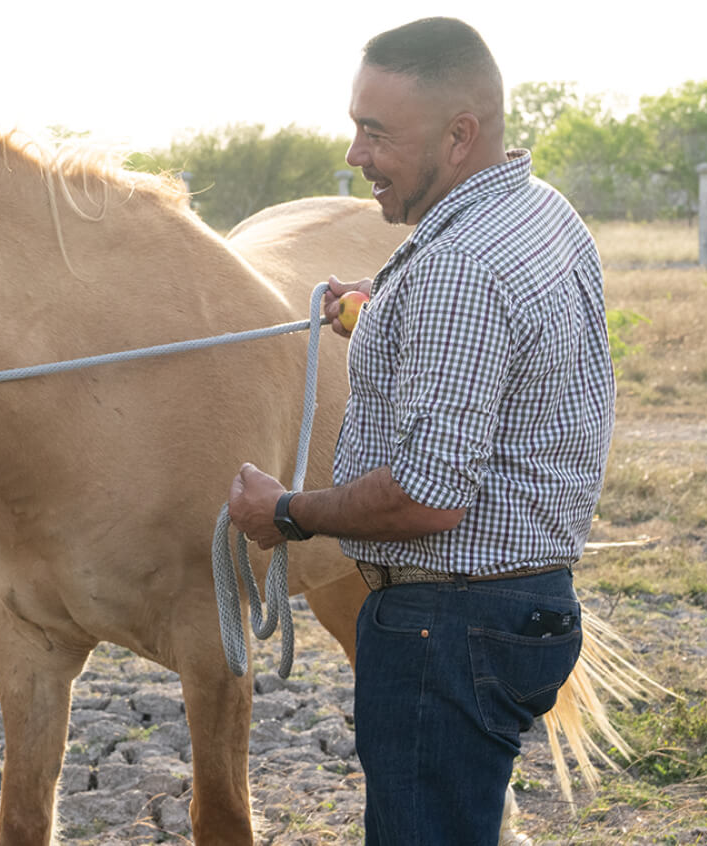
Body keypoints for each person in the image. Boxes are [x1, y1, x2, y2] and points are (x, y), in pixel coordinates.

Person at [226, 17, 615, 845]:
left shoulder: (455, 273)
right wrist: (382, 312)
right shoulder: (538, 211)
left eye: (376, 133)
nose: (355, 155)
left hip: (448, 629)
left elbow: (429, 500)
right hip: (527, 605)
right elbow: (498, 356)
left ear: (460, 134)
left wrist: (288, 513)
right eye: (355, 127)